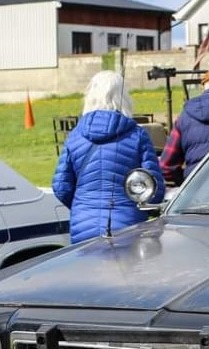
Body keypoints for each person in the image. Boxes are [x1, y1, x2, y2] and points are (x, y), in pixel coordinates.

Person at [52, 70, 165, 244]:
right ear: (123, 96)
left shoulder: (75, 136)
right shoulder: (137, 135)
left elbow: (61, 186)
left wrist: (83, 205)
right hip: (127, 225)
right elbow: (153, 189)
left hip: (83, 224)